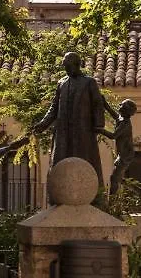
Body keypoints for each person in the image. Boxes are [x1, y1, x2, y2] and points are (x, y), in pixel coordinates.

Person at [32, 51, 105, 187]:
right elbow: (54, 107)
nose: (65, 67)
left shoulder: (89, 82)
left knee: (85, 161)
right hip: (63, 131)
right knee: (60, 161)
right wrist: (43, 123)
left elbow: (97, 104)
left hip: (83, 130)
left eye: (67, 64)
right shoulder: (61, 83)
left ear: (76, 65)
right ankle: (59, 193)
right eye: (64, 64)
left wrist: (98, 125)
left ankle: (90, 193)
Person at [97, 98, 137, 195]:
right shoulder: (122, 119)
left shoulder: (125, 123)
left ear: (126, 110)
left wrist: (99, 130)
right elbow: (114, 114)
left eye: (122, 105)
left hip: (125, 156)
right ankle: (136, 189)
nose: (119, 106)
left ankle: (113, 201)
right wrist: (104, 103)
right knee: (117, 177)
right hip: (123, 154)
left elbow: (113, 136)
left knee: (114, 178)